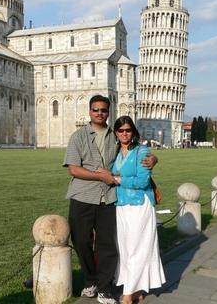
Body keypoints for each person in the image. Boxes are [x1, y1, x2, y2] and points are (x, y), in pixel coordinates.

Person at [63, 95, 157, 304]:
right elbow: (73, 169)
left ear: (108, 112)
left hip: (108, 197)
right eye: (96, 110)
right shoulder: (78, 136)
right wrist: (100, 176)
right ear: (90, 111)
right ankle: (91, 280)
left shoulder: (115, 136)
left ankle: (105, 287)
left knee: (107, 244)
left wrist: (153, 158)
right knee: (81, 240)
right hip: (82, 195)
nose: (99, 113)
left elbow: (131, 149)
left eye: (103, 110)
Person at [110, 116, 165, 304]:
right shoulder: (116, 151)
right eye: (121, 130)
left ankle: (128, 294)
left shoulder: (142, 152)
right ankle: (138, 289)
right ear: (116, 133)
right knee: (125, 248)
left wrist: (118, 180)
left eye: (128, 130)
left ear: (133, 132)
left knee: (137, 248)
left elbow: (142, 182)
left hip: (140, 205)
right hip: (122, 205)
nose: (124, 133)